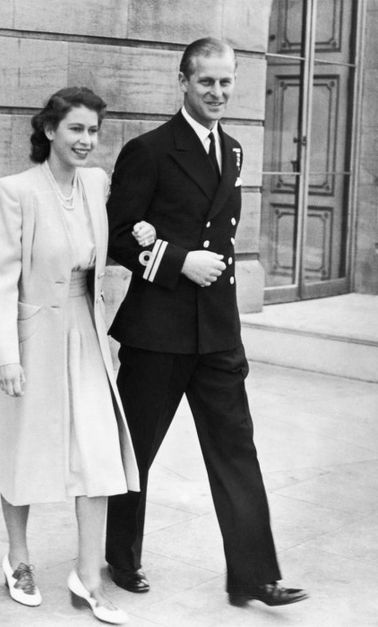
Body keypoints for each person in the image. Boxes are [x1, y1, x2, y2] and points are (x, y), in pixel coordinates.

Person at [105, 38, 308, 607]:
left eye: (225, 82)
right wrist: (176, 261)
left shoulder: (236, 151)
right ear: (183, 82)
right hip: (157, 334)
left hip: (216, 332)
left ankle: (255, 576)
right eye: (206, 83)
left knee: (237, 450)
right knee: (136, 449)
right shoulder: (149, 150)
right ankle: (121, 555)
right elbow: (120, 235)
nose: (217, 93)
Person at [0, 86, 154, 625]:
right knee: (22, 453)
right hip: (31, 336)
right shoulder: (13, 190)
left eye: (93, 131)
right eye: (76, 130)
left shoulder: (97, 183)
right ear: (49, 131)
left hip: (84, 333)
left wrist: (147, 233)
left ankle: (87, 577)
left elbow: (121, 235)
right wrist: (5, 356)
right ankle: (18, 560)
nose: (87, 141)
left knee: (97, 454)